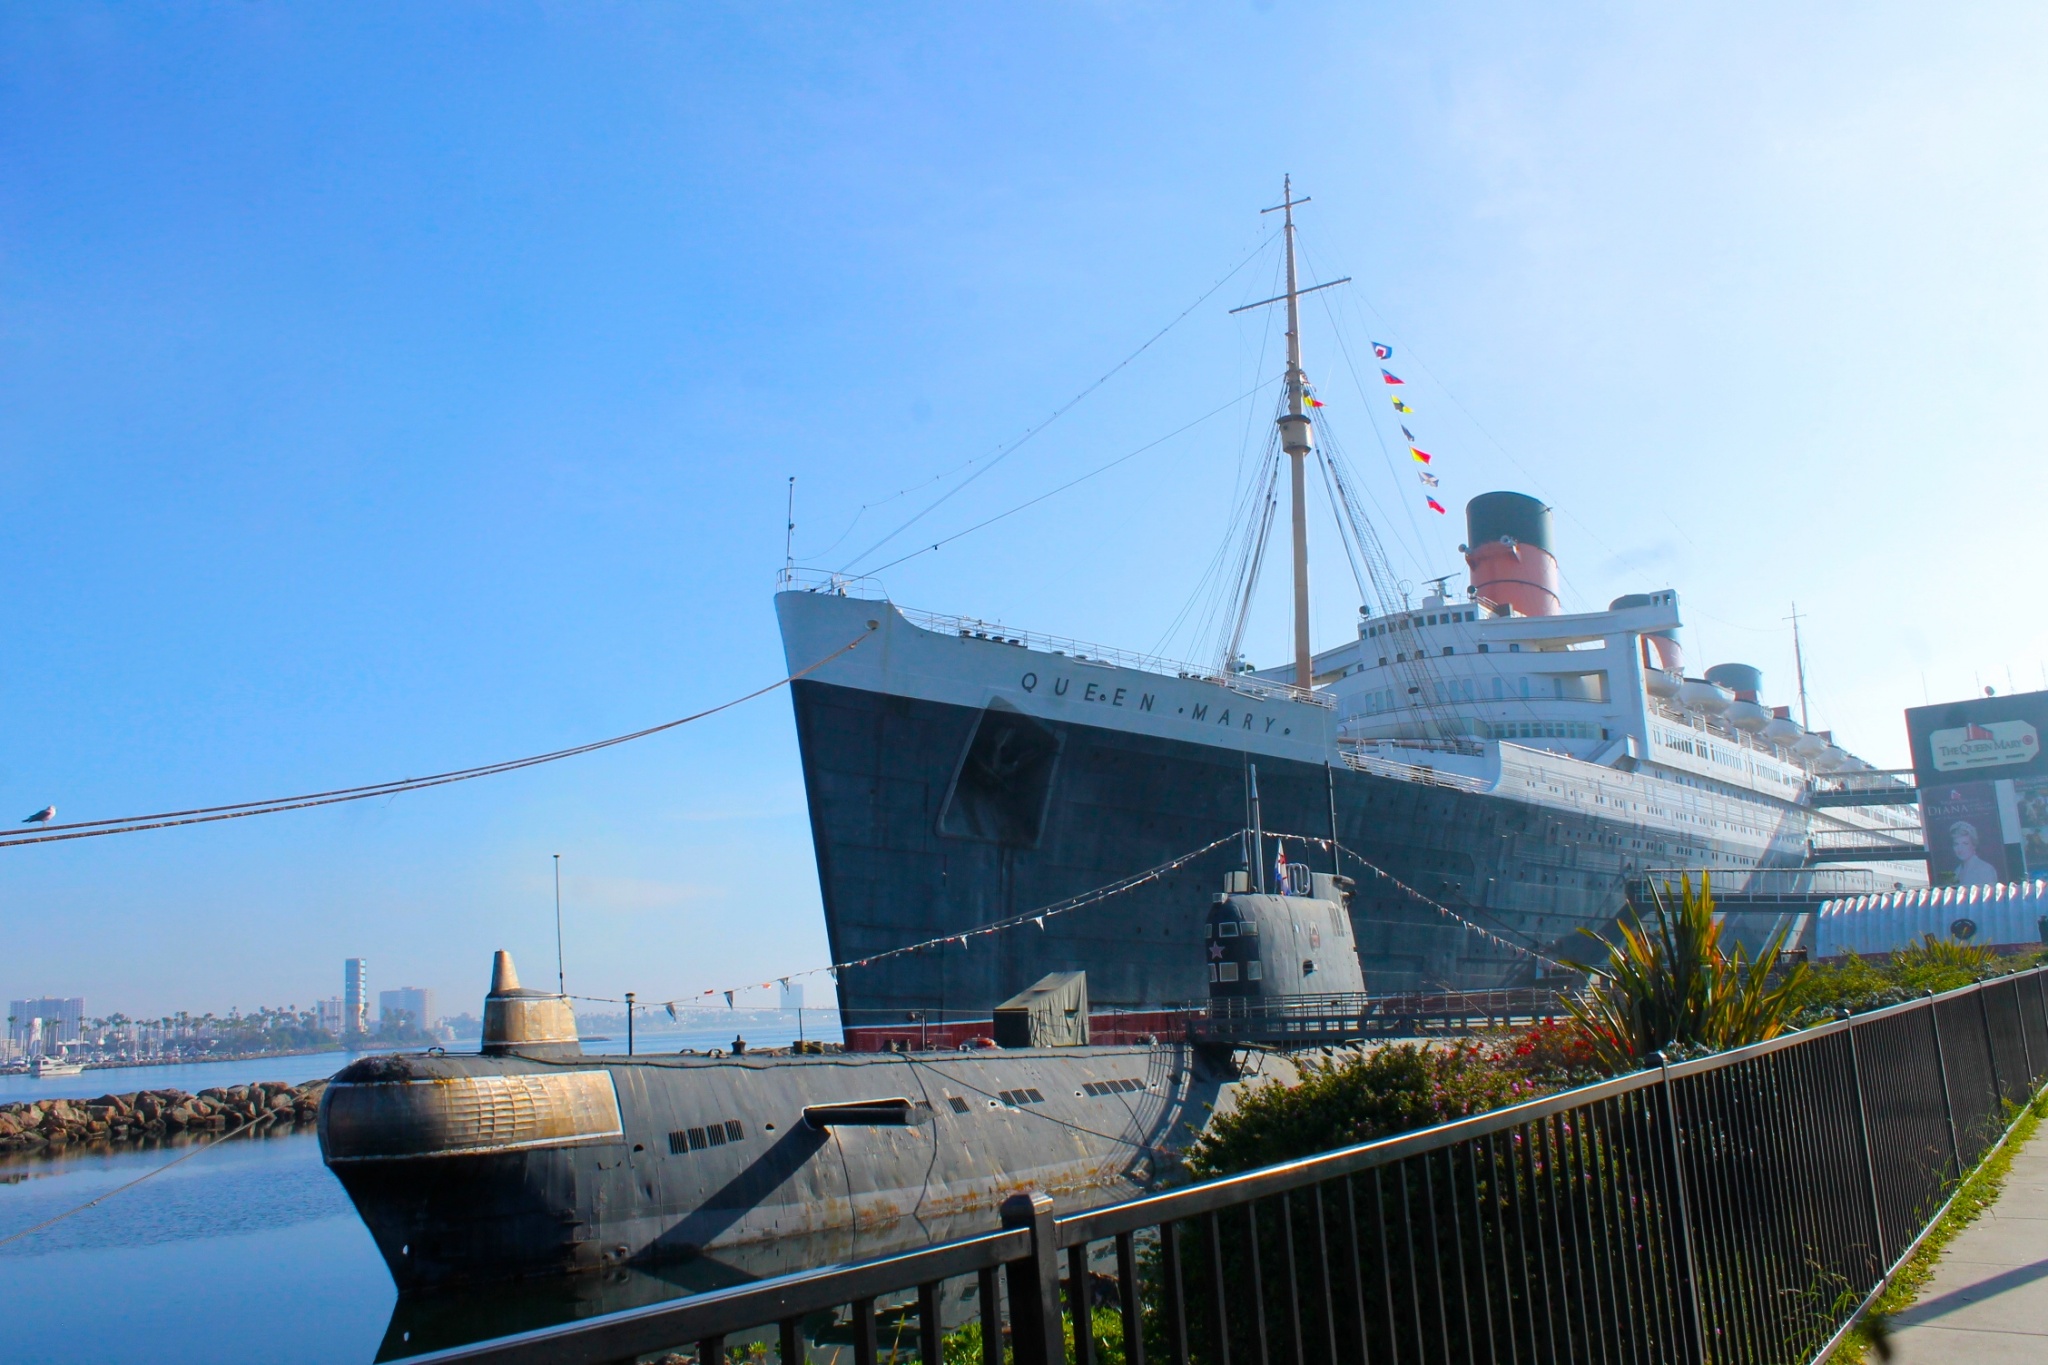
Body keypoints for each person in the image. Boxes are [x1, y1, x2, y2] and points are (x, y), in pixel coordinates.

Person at [1949, 821, 2001, 887]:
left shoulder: (1985, 869)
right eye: (1956, 844)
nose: (1960, 848)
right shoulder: (1957, 871)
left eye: (1965, 843)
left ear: (1974, 845)